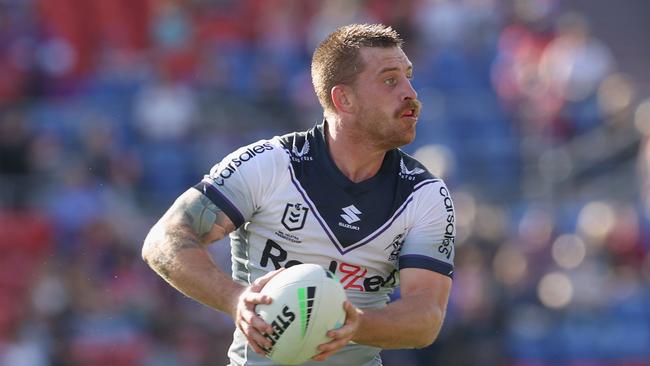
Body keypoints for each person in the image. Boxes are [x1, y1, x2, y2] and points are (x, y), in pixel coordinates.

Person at [142, 23, 455, 366]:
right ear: (343, 99)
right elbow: (164, 240)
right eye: (390, 80)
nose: (410, 92)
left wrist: (354, 324)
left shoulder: (424, 194)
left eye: (409, 77)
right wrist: (235, 299)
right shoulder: (270, 164)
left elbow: (426, 316)